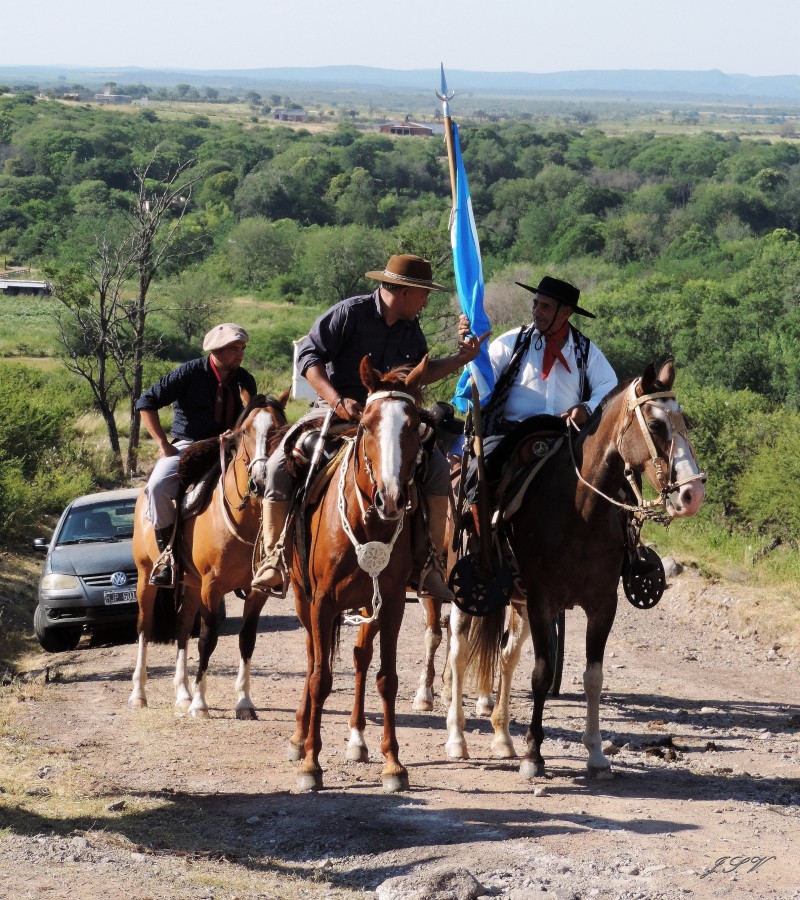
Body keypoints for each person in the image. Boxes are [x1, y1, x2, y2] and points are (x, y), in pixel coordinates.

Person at [254, 254, 485, 600]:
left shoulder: (411, 329)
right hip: (333, 412)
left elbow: (415, 378)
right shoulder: (349, 313)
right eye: (424, 295)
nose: (425, 302)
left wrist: (460, 359)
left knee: (436, 468)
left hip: (390, 421)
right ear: (405, 292)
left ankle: (430, 566)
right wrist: (336, 400)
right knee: (277, 467)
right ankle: (273, 558)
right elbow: (308, 358)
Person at [136, 323, 258, 586]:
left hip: (232, 445)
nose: (240, 354)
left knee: (267, 479)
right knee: (157, 486)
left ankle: (269, 556)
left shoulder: (245, 380)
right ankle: (167, 557)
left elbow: (251, 419)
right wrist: (162, 443)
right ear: (216, 350)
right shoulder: (189, 373)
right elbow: (146, 402)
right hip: (189, 445)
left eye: (242, 348)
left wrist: (237, 433)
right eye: (234, 349)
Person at [483, 276, 617, 438]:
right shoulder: (512, 342)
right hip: (511, 435)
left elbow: (609, 386)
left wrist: (588, 408)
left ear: (566, 313)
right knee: (486, 462)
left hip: (566, 437)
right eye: (535, 304)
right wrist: (473, 363)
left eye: (545, 307)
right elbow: (484, 377)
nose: (536, 312)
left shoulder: (586, 351)